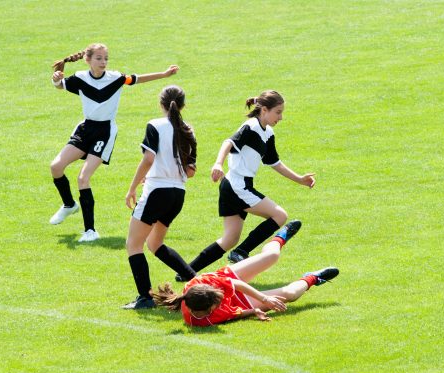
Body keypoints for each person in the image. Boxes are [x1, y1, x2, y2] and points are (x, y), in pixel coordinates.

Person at [49, 43, 179, 242]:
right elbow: (60, 86)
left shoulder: (116, 78)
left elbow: (136, 79)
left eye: (105, 58)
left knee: (83, 178)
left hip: (105, 132)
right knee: (56, 167)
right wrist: (56, 79)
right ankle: (69, 205)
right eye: (99, 58)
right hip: (85, 129)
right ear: (88, 60)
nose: (103, 62)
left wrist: (163, 74)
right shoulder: (80, 78)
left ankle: (90, 231)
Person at [180, 90, 316, 277]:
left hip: (232, 186)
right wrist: (218, 163)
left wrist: (299, 179)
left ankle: (186, 272)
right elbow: (228, 142)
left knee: (229, 239)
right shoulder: (250, 126)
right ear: (264, 110)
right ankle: (241, 252)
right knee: (279, 215)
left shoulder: (267, 133)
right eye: (278, 112)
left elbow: (274, 162)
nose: (281, 117)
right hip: (238, 186)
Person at [150, 220, 339, 326]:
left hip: (230, 278)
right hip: (241, 301)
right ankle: (314, 277)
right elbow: (233, 314)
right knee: (290, 294)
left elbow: (237, 285)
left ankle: (281, 236)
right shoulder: (203, 320)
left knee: (272, 256)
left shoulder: (202, 283)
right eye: (217, 304)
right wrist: (254, 310)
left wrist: (265, 300)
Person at [121, 86, 198, 310]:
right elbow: (190, 171)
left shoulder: (155, 125)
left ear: (161, 103)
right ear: (182, 105)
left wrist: (133, 187)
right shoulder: (187, 130)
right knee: (154, 243)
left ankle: (145, 298)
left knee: (133, 244)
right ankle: (195, 281)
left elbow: (148, 158)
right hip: (177, 194)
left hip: (156, 192)